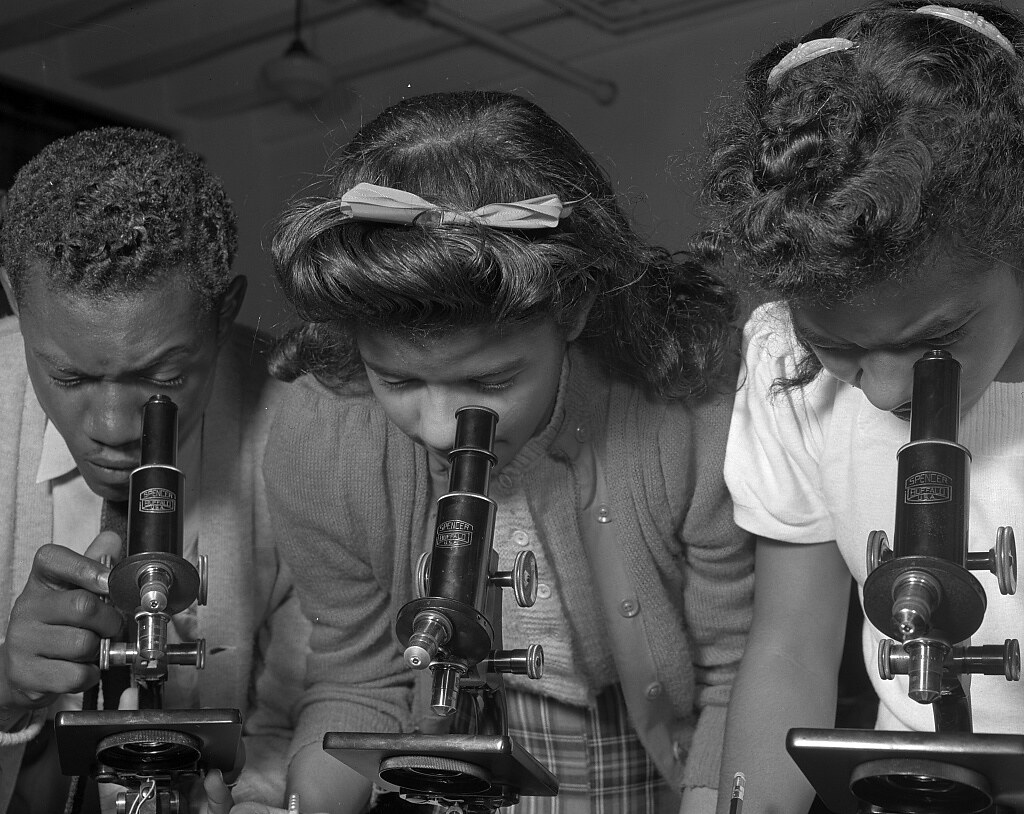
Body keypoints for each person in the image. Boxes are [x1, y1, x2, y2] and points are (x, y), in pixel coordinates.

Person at [240, 90, 754, 814]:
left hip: (661, 771)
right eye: (399, 380)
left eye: (488, 380)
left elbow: (733, 675)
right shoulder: (317, 440)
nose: (445, 426)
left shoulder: (692, 414)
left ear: (570, 309)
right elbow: (361, 680)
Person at [698, 2, 1024, 812]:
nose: (884, 392)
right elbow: (790, 649)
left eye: (936, 336)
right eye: (836, 348)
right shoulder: (781, 359)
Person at [0, 127, 308, 812]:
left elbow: (302, 716)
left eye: (163, 375)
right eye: (69, 375)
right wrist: (4, 695)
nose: (113, 429)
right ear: (15, 305)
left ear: (224, 315)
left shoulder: (302, 429)